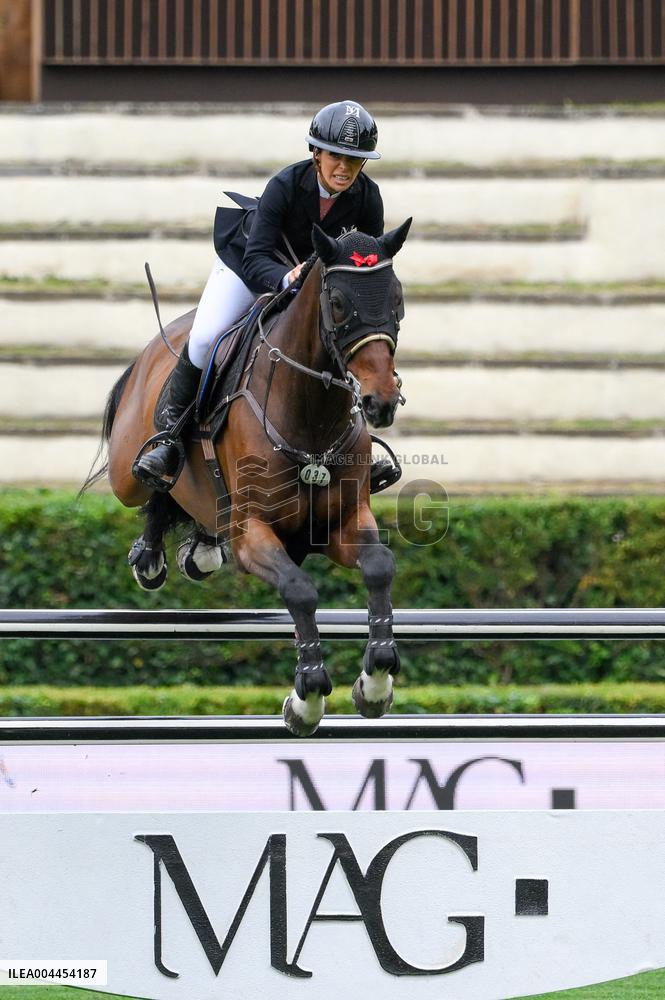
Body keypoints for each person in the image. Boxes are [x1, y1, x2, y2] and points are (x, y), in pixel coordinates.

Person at [134, 99, 385, 488]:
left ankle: (359, 446)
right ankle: (168, 438)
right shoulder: (285, 186)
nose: (344, 167)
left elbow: (364, 265)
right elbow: (255, 259)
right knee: (205, 337)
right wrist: (289, 278)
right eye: (336, 155)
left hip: (314, 291)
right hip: (249, 268)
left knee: (351, 340)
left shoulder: (367, 198)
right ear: (316, 152)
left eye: (355, 159)